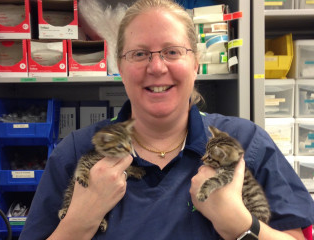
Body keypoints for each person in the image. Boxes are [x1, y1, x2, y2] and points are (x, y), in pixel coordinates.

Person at [19, 0, 314, 239]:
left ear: (196, 63)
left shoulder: (247, 143)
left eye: (172, 52)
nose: (157, 67)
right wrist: (78, 223)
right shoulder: (76, 152)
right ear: (119, 67)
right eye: (139, 54)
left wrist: (239, 224)